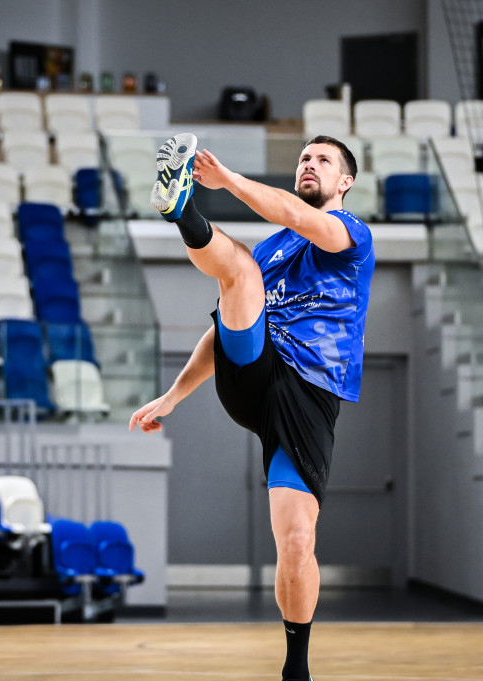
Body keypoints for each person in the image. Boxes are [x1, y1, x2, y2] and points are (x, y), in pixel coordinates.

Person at [129, 132, 375, 681]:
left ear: (345, 182)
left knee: (296, 542)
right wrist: (171, 397)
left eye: (323, 160)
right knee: (239, 266)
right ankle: (180, 208)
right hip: (255, 372)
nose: (310, 165)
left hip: (309, 397)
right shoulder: (269, 252)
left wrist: (230, 180)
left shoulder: (352, 234)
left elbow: (295, 215)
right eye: (305, 158)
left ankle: (296, 668)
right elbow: (220, 332)